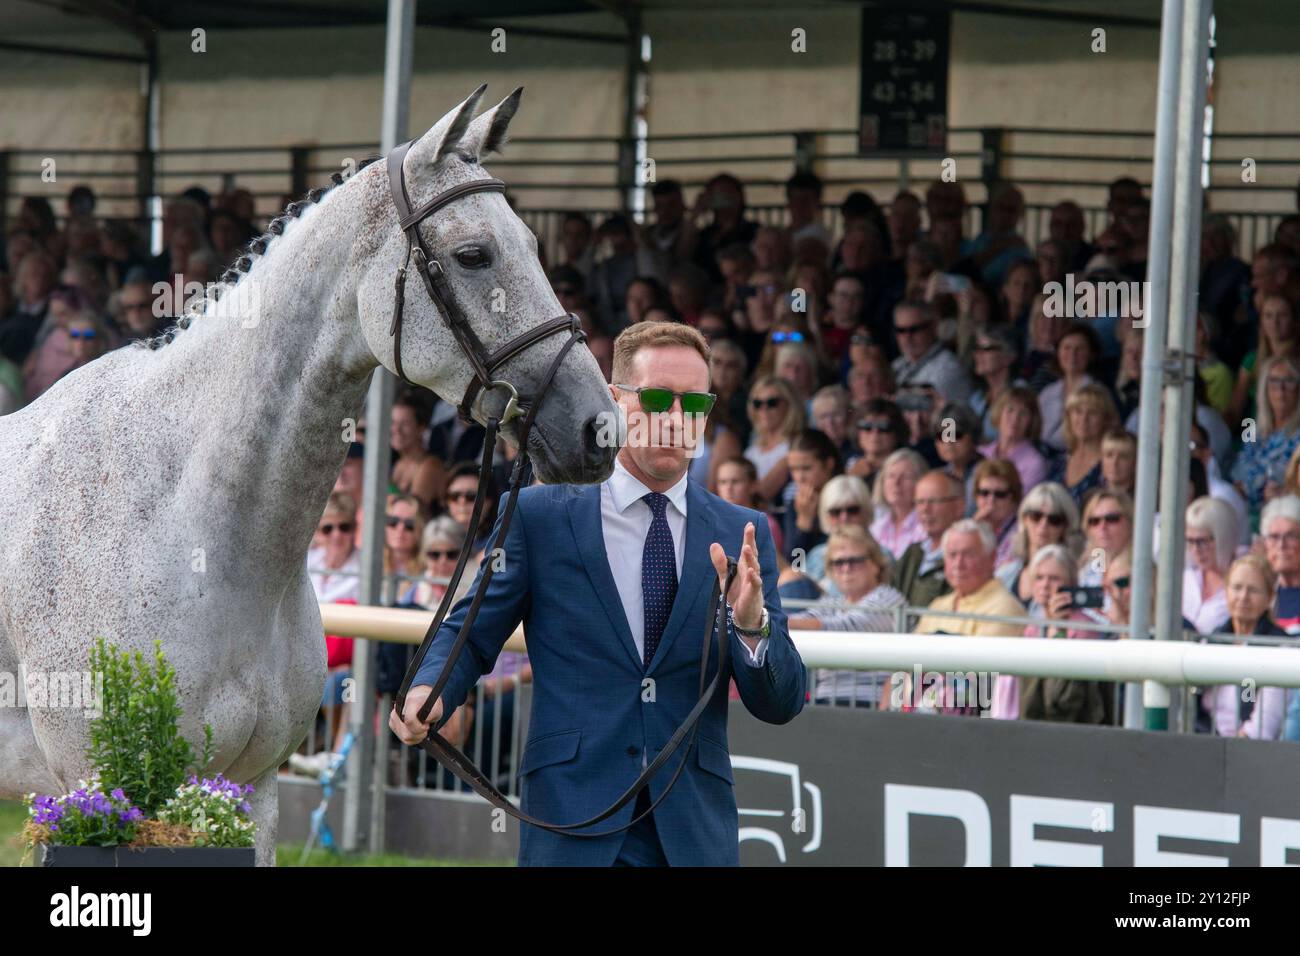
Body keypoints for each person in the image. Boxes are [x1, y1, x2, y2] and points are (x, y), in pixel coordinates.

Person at [390, 321, 805, 867]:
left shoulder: (742, 532)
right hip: (571, 821)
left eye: (694, 403)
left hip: (691, 832)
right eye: (658, 398)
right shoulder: (540, 516)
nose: (676, 420)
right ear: (614, 400)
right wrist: (429, 691)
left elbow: (780, 703)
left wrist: (752, 629)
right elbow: (469, 634)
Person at [909, 519, 1026, 714]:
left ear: (992, 558)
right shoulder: (938, 605)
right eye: (952, 555)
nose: (958, 564)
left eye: (968, 555)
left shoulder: (1005, 608)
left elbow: (980, 678)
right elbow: (909, 664)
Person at [787, 526, 905, 708]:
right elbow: (807, 617)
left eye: (855, 561)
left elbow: (846, 625)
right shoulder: (833, 602)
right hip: (824, 702)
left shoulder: (889, 598)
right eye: (838, 563)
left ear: (875, 564)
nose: (846, 569)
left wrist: (774, 621)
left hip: (870, 705)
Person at [1010, 544, 1115, 725]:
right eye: (1039, 578)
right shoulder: (1033, 625)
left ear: (1071, 584)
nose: (1044, 585)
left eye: (1054, 578)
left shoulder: (1084, 627)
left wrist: (1059, 627)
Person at [1197, 555, 1291, 740]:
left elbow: (1265, 720)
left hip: (1247, 750)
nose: (1243, 597)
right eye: (1237, 588)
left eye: (1253, 590)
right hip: (1206, 742)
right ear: (1226, 591)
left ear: (1269, 597)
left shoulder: (1279, 647)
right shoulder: (1212, 641)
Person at [1232, 354, 1300, 512]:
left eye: (1289, 381)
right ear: (1264, 388)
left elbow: (1289, 479)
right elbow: (1239, 470)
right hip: (1247, 511)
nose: (1281, 389)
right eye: (1274, 381)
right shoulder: (1252, 428)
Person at [889, 470, 965, 608]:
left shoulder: (966, 556)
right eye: (920, 502)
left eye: (934, 501)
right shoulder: (912, 552)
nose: (925, 509)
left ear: (958, 506)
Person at [997, 481, 1080, 604]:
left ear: (1065, 527)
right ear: (1024, 519)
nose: (1043, 525)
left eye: (1054, 520)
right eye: (1036, 516)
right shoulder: (1005, 573)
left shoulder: (1076, 577)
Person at [1049, 383, 1118, 507]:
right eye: (1078, 411)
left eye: (1092, 413)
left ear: (1106, 419)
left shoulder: (1110, 464)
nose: (1084, 419)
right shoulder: (1060, 460)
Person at [890, 300, 973, 403]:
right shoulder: (897, 365)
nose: (907, 338)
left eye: (914, 329)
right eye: (901, 331)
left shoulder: (948, 369)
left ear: (933, 327)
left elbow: (949, 418)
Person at [1182, 497, 1239, 635]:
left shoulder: (1245, 579)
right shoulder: (1186, 578)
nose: (1196, 549)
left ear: (1223, 536)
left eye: (1202, 541)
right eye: (1190, 541)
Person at [979, 386, 1050, 494]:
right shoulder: (980, 452)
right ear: (999, 413)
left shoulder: (1035, 463)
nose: (1015, 418)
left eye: (1023, 413)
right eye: (1010, 410)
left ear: (1032, 421)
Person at [869, 448, 928, 559]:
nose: (896, 483)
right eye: (891, 476)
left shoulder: (927, 525)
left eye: (906, 477)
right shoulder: (875, 527)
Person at [972, 458, 1022, 567]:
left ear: (1014, 497)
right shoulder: (972, 526)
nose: (991, 501)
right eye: (984, 493)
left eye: (1000, 494)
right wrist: (973, 531)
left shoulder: (1020, 532)